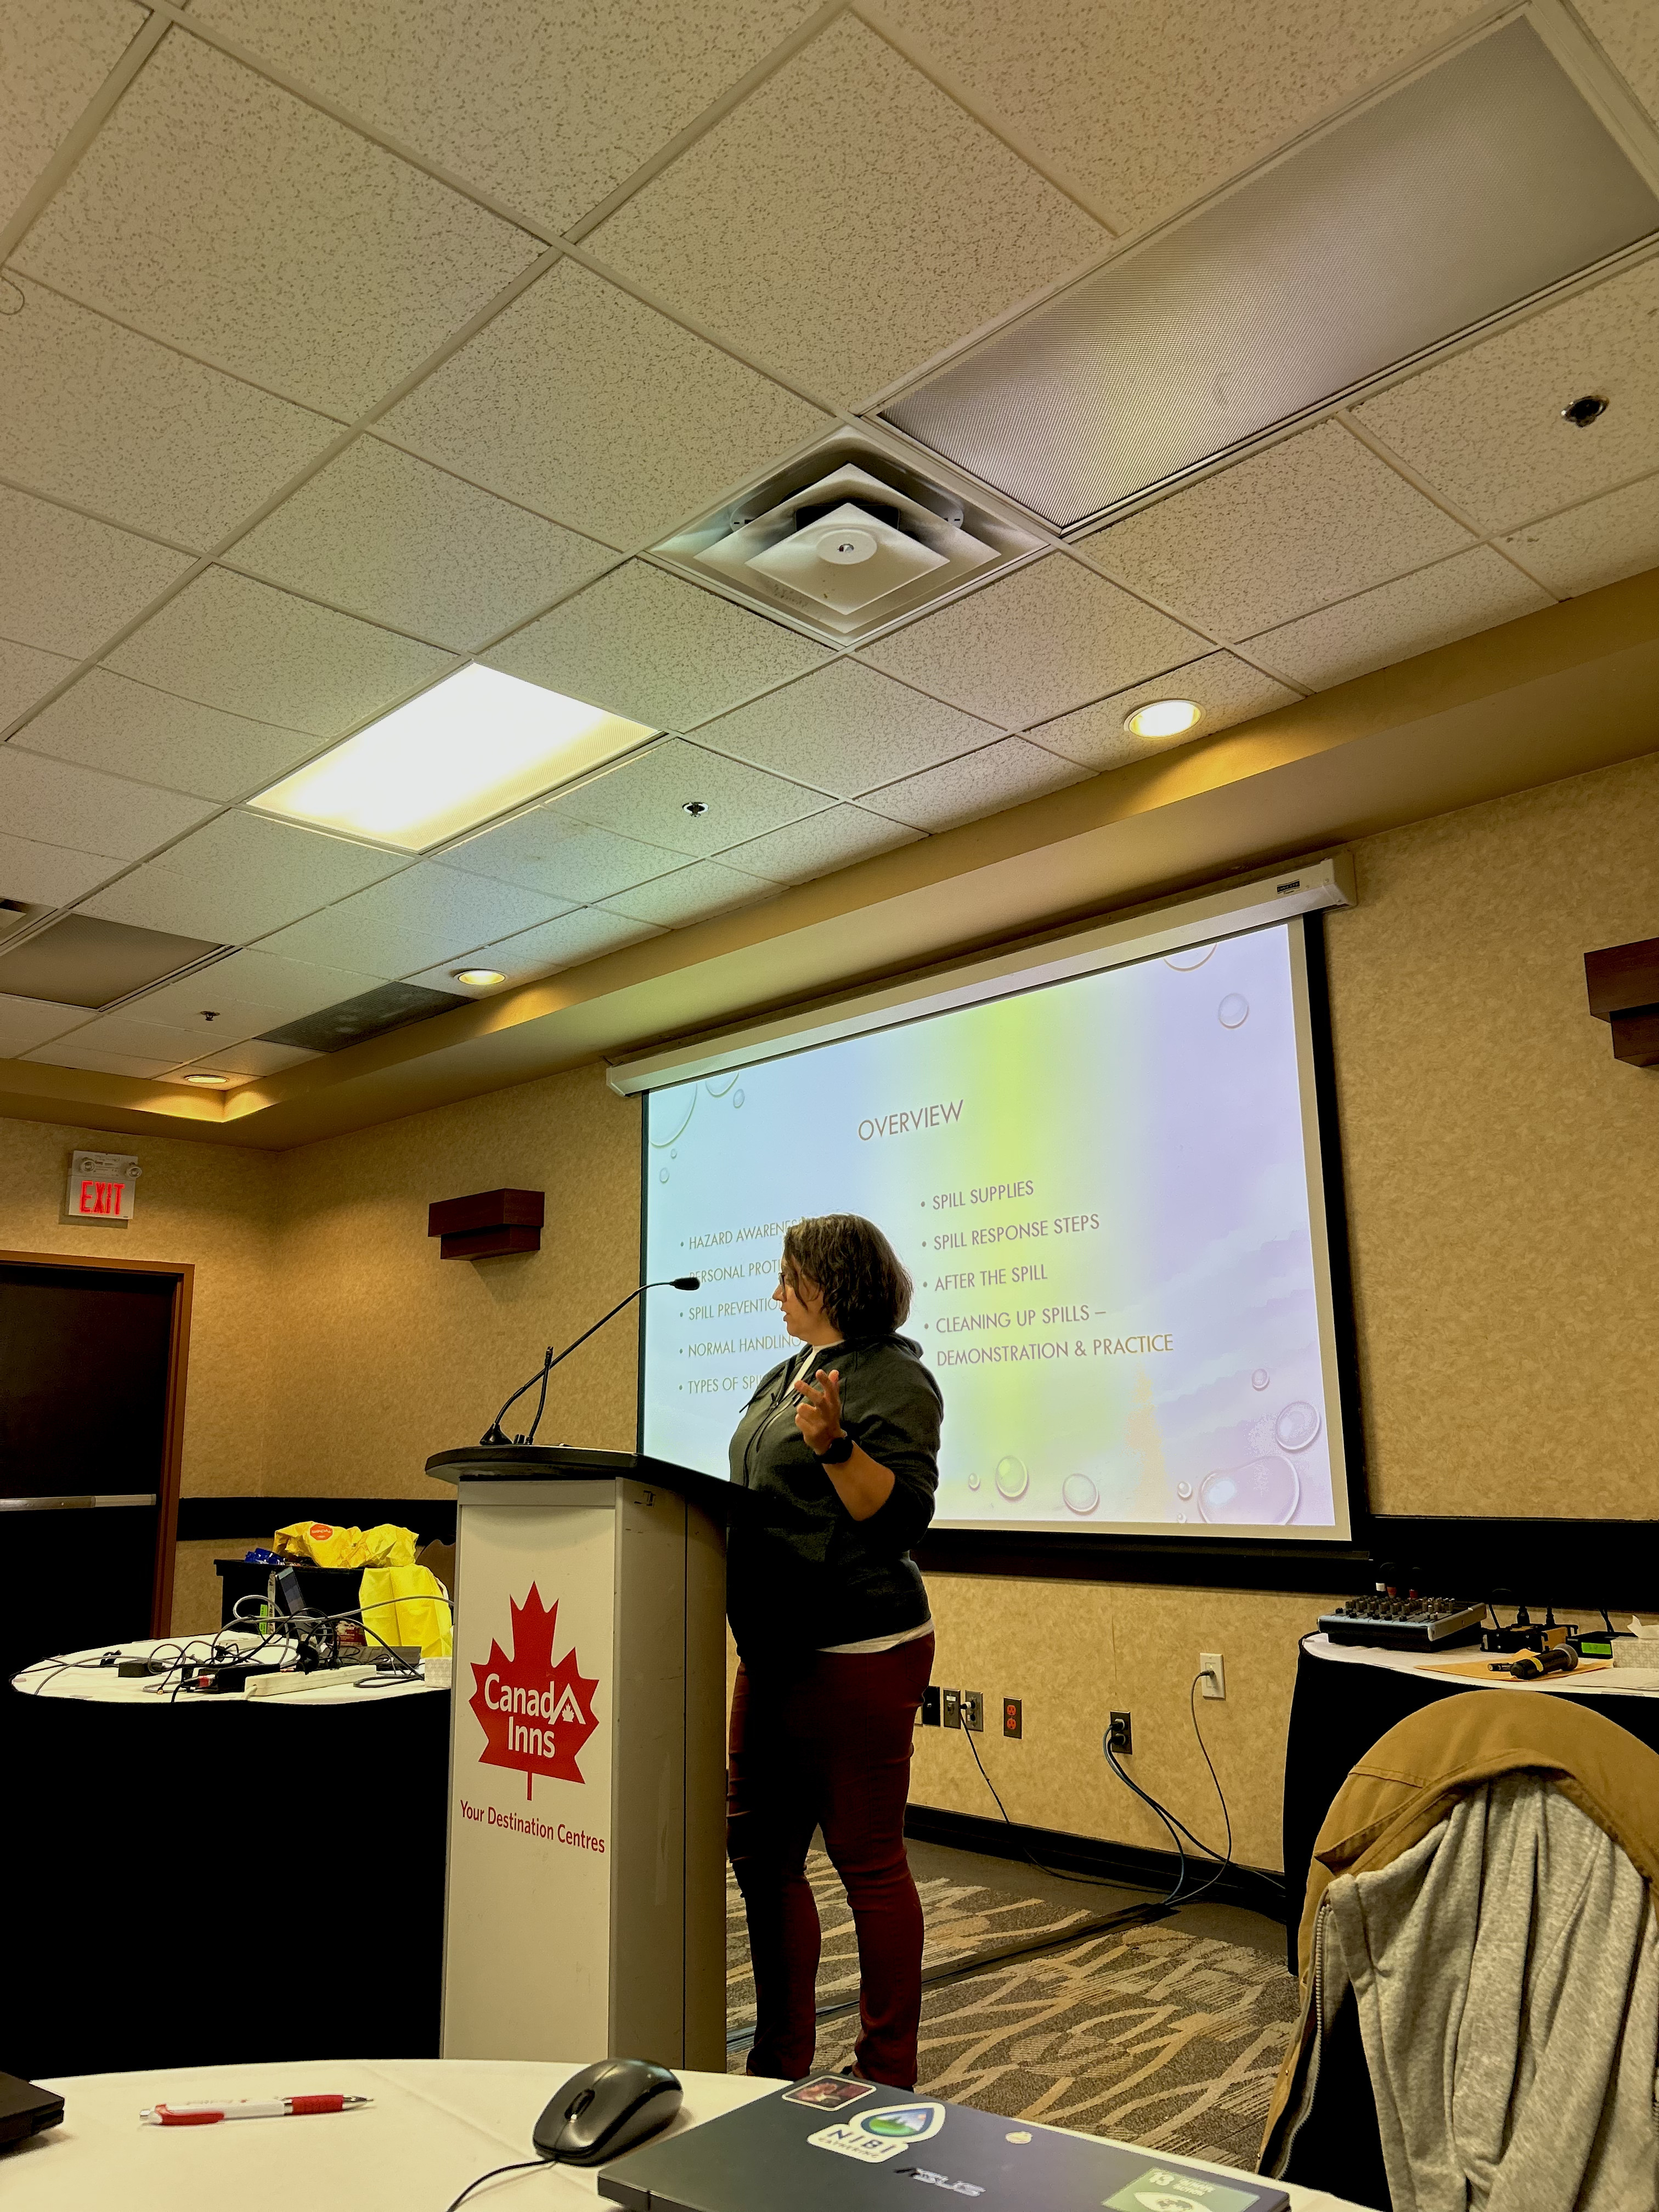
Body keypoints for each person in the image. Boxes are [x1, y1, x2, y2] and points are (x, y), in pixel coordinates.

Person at [725, 1213, 943, 2091]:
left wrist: (837, 1446)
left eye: (788, 1277)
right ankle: (779, 2059)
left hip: (857, 1646)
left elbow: (899, 1519)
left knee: (866, 1858)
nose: (776, 1292)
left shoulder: (895, 1377)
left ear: (831, 1282)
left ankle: (886, 2071)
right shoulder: (789, 1373)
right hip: (772, 1649)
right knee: (759, 1855)